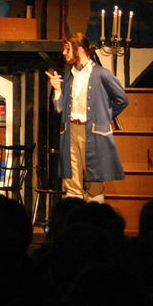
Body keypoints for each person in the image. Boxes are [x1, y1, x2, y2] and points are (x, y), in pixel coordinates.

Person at [45, 32, 128, 202]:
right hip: (70, 131)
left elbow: (122, 100)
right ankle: (72, 214)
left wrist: (103, 117)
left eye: (67, 49)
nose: (64, 53)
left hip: (93, 132)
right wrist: (58, 90)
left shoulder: (102, 74)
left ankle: (93, 216)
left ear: (80, 49)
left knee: (94, 181)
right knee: (71, 180)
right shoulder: (68, 75)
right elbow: (60, 109)